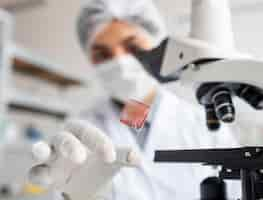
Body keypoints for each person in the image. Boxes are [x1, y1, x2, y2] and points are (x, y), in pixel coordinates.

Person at [29, 0, 263, 199]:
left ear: (156, 44)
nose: (119, 62)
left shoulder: (199, 121)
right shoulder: (82, 130)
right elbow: (64, 188)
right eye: (102, 54)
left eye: (132, 47)